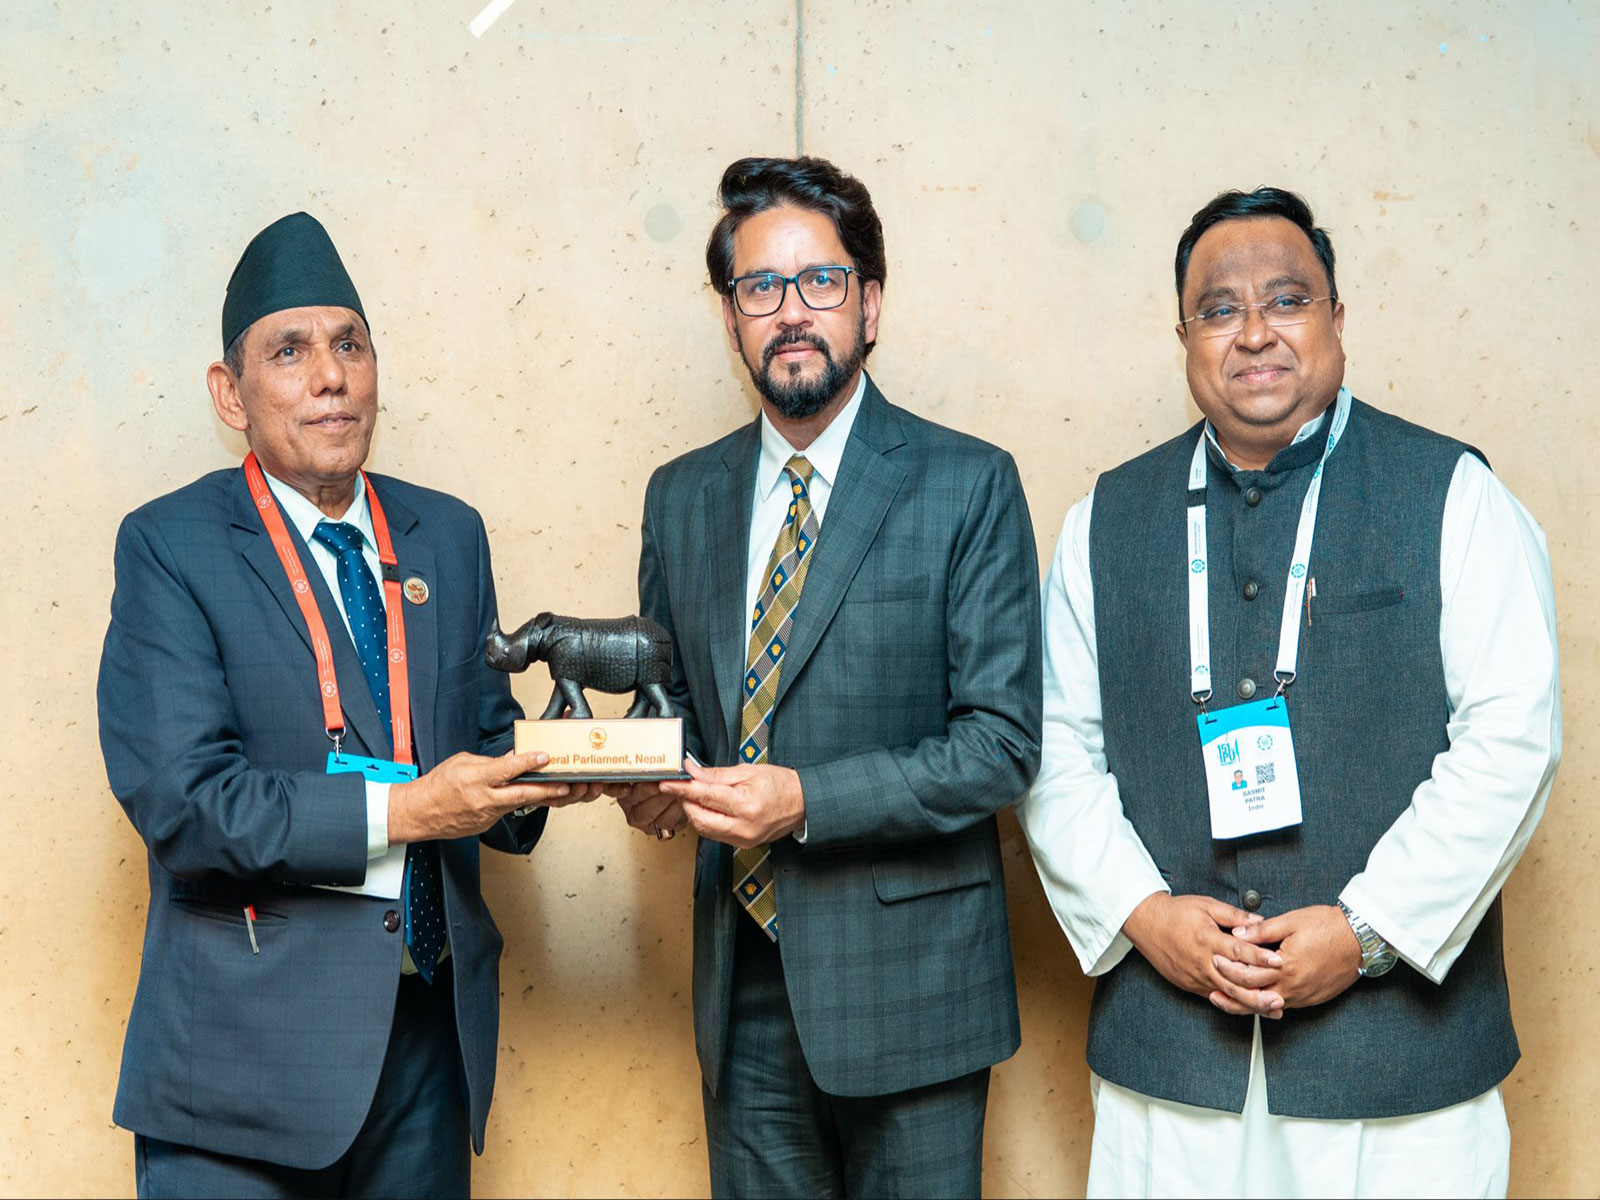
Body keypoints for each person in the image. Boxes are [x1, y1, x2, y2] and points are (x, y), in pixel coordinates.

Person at [1018, 186, 1562, 1197]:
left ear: (1337, 320)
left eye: (1288, 300)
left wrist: (1365, 933)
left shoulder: (1451, 492)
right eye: (1219, 310)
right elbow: (1051, 745)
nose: (1255, 333)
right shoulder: (1105, 518)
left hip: (1403, 1074)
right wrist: (1141, 914)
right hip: (1169, 1072)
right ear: (1183, 338)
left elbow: (1511, 741)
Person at [97, 212, 593, 1198]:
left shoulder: (446, 536)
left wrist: (555, 772)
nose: (332, 375)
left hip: (423, 1057)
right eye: (291, 351)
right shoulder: (171, 547)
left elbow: (484, 752)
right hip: (241, 1074)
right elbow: (186, 804)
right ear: (229, 395)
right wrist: (410, 810)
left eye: (350, 344)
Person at [611, 156, 1042, 1198]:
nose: (790, 313)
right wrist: (643, 780)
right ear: (729, 320)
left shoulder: (967, 483)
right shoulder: (681, 497)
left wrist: (802, 799)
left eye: (821, 282)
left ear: (871, 303)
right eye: (759, 288)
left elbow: (1000, 745)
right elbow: (667, 703)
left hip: (916, 994)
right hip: (744, 992)